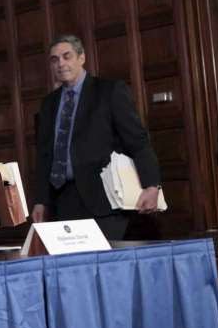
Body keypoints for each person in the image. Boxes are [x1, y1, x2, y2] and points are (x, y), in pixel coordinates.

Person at [31, 35, 160, 239]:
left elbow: (138, 141)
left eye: (67, 56)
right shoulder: (48, 104)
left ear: (81, 58)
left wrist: (152, 186)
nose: (61, 64)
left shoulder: (109, 91)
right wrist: (41, 200)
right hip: (62, 203)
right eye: (54, 59)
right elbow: (45, 155)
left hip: (104, 201)